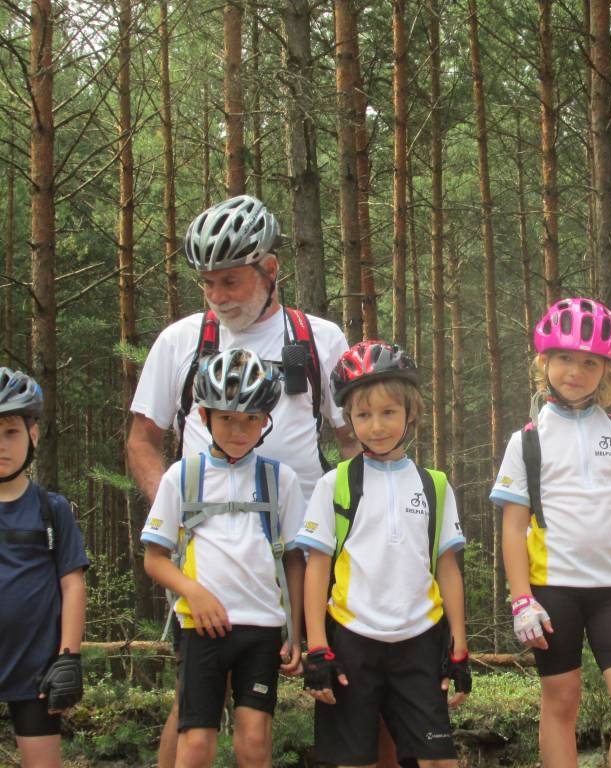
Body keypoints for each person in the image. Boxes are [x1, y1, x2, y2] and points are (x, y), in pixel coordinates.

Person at [125, 195, 359, 767]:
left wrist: (362, 519)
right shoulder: (181, 340)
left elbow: (353, 438)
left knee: (353, 673)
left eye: (230, 281)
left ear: (270, 269)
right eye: (207, 283)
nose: (218, 296)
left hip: (309, 547)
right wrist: (174, 516)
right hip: (212, 552)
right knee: (194, 704)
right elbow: (142, 440)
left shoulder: (319, 337)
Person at [491, 298, 611, 768]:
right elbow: (513, 527)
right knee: (561, 700)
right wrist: (521, 599)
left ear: (607, 371)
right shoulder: (527, 440)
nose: (576, 371)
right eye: (565, 358)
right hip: (552, 590)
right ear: (544, 362)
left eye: (590, 362)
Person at [299, 340, 470, 768]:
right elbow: (317, 568)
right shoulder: (334, 484)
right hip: (351, 639)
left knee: (438, 761)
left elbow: (447, 568)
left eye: (389, 412)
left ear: (411, 412)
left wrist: (460, 646)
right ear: (349, 419)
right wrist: (316, 647)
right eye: (363, 415)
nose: (376, 426)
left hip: (420, 640)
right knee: (355, 762)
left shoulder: (434, 485)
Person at [141, 348, 306, 768]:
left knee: (254, 741)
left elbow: (294, 560)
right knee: (196, 743)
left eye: (251, 419)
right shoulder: (182, 476)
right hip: (201, 626)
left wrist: (295, 630)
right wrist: (192, 593)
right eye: (227, 418)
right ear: (204, 416)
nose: (239, 430)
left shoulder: (279, 480)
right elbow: (155, 558)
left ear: (265, 420)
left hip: (262, 627)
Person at [0, 368, 89, 768]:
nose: (1, 445)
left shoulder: (52, 510)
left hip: (34, 670)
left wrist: (68, 657)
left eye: (11, 432)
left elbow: (72, 585)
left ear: (33, 435)